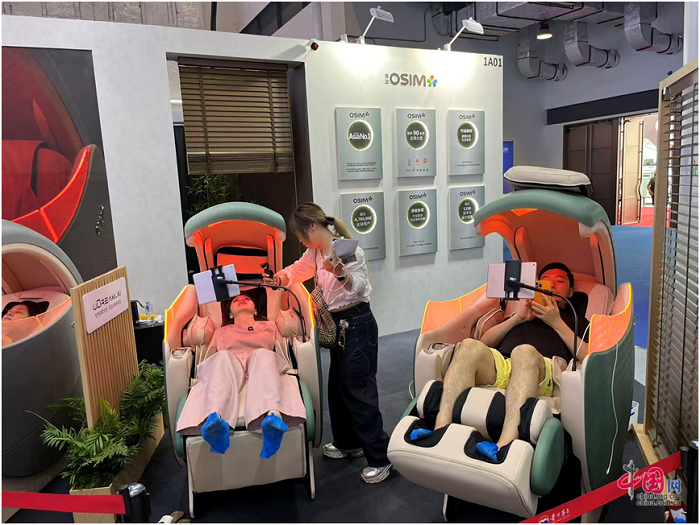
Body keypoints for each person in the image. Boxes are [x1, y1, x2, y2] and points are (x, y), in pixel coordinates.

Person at [411, 263, 590, 462]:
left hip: (541, 368)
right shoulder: (522, 314)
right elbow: (485, 343)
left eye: (560, 281)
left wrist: (556, 322)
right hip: (504, 364)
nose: (552, 285)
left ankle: (504, 446)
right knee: (469, 345)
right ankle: (440, 430)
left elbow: (587, 354)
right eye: (545, 281)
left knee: (524, 351)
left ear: (570, 292)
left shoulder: (576, 320)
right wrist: (518, 318)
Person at [272, 203, 392, 484]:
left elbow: (362, 288)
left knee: (359, 389)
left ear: (313, 226)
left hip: (357, 324)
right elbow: (298, 270)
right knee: (338, 389)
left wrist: (340, 272)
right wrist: (281, 277)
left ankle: (380, 458)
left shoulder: (346, 250)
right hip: (338, 326)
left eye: (300, 234)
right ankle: (348, 444)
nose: (300, 240)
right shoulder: (314, 252)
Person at [176, 292, 306, 458]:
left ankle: (273, 418)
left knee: (263, 354)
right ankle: (215, 422)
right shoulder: (220, 331)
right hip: (230, 368)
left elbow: (282, 351)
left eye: (246, 299)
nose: (242, 299)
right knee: (221, 357)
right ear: (230, 313)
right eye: (236, 300)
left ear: (256, 310)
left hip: (261, 368)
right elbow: (209, 356)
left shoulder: (270, 326)